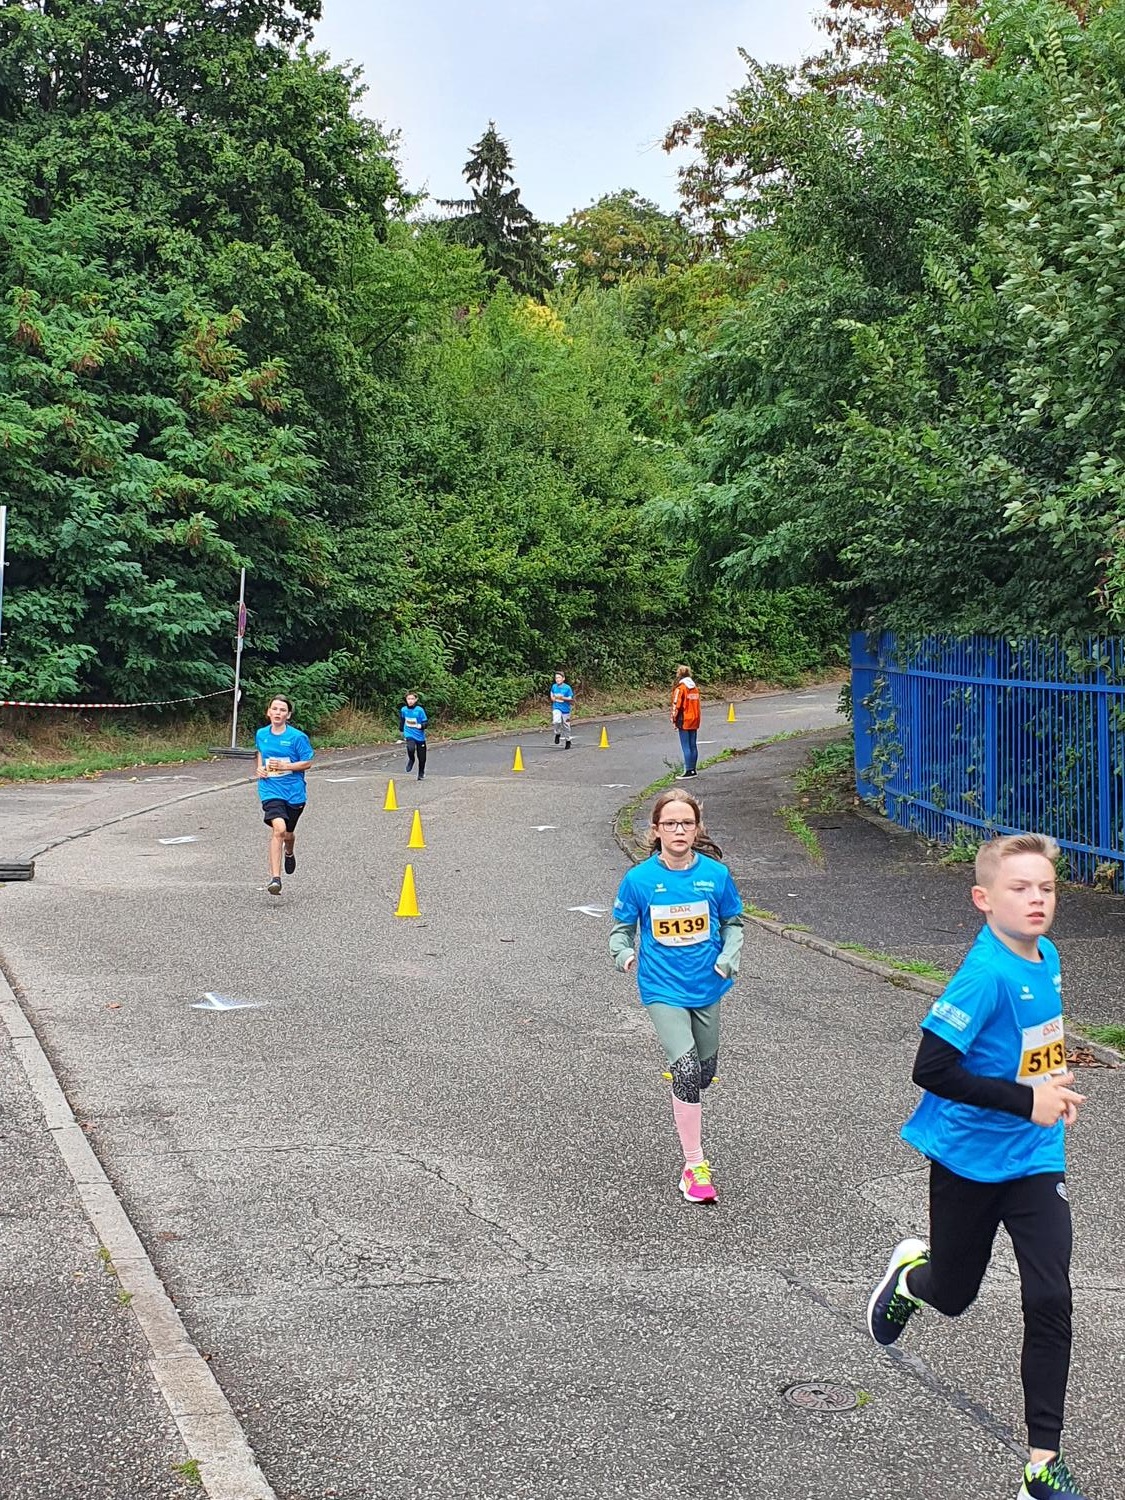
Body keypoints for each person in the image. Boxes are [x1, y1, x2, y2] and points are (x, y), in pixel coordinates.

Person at [866, 833, 1089, 1500]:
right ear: (982, 899)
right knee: (954, 1293)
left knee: (1049, 1296)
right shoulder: (984, 975)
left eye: (1045, 887)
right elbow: (930, 1069)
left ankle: (1041, 1465)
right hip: (968, 1160)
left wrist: (1050, 1084)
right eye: (1020, 888)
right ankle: (912, 1278)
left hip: (1034, 1157)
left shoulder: (1046, 955)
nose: (1036, 899)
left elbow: (1030, 1045)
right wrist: (1028, 1099)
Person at [609, 789, 744, 1204]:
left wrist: (728, 957)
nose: (679, 830)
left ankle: (688, 1098)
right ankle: (694, 1167)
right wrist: (623, 953)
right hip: (661, 987)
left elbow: (733, 923)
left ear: (697, 828)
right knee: (685, 1070)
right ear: (656, 830)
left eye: (686, 823)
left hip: (707, 986)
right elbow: (620, 930)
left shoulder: (716, 875)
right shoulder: (639, 880)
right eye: (670, 823)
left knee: (703, 1074)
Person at [255, 695, 314, 897]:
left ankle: (289, 852)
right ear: (268, 712)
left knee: (288, 834)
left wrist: (285, 766)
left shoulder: (297, 737)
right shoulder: (262, 734)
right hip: (270, 789)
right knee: (278, 829)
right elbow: (260, 753)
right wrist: (260, 768)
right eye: (275, 709)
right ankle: (275, 879)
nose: (278, 713)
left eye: (282, 710)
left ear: (288, 715)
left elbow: (307, 762)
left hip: (294, 792)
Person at [670, 665, 701, 778]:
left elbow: (676, 704)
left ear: (679, 674)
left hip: (684, 719)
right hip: (695, 718)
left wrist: (673, 719)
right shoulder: (695, 688)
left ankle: (688, 770)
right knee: (693, 745)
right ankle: (693, 769)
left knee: (685, 745)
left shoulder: (681, 688)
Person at [400, 691, 428, 780]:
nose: (410, 701)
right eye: (409, 699)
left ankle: (421, 772)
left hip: (419, 736)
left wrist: (421, 726)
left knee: (422, 757)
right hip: (409, 733)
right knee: (411, 748)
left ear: (416, 700)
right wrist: (401, 729)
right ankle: (411, 759)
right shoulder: (404, 709)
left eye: (412, 699)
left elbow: (426, 722)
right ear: (406, 700)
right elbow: (402, 720)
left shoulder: (419, 710)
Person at [550, 671, 574, 749]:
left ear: (563, 678)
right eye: (556, 678)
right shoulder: (554, 686)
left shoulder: (567, 688)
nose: (557, 679)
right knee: (556, 721)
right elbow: (552, 693)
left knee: (566, 726)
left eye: (559, 677)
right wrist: (553, 698)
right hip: (556, 707)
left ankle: (568, 740)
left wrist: (562, 698)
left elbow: (570, 698)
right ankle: (557, 734)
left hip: (565, 709)